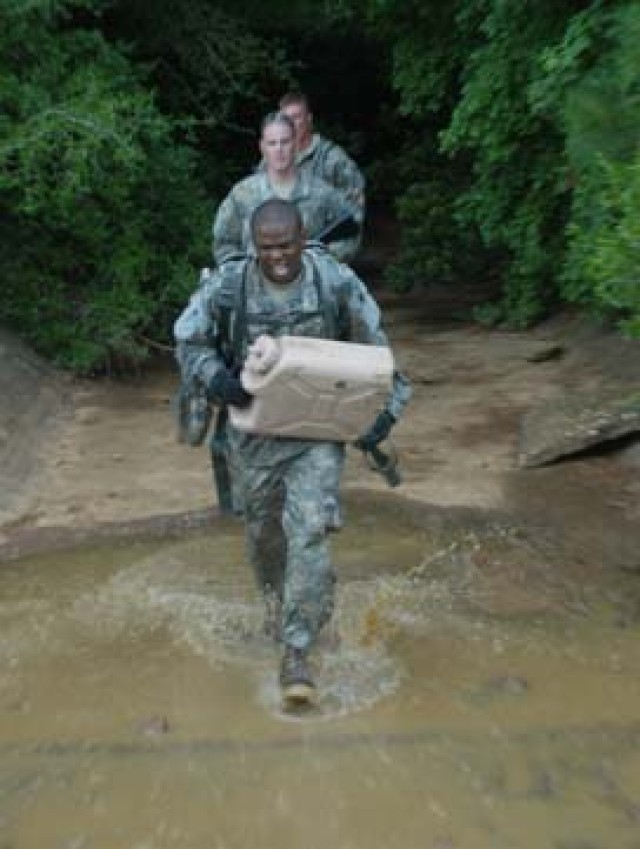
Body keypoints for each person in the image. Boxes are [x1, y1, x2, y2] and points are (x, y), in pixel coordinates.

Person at [175, 198, 410, 706]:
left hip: (317, 435)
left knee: (308, 530)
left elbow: (378, 355)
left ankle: (297, 650)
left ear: (303, 239)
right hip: (254, 435)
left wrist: (379, 417)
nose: (277, 256)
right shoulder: (231, 284)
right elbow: (188, 338)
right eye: (267, 248)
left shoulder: (336, 282)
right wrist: (218, 377)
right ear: (253, 247)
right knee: (264, 535)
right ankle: (281, 606)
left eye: (286, 245)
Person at [213, 112, 360, 265]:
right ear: (262, 147)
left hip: (310, 285)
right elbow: (223, 243)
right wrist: (244, 271)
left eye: (285, 142)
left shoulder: (321, 193)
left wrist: (323, 263)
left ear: (296, 144)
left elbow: (350, 234)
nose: (279, 149)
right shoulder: (242, 195)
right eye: (272, 143)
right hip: (256, 285)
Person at [278, 90, 365, 258]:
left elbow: (353, 219)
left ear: (309, 119)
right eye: (286, 119)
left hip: (321, 260)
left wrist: (327, 258)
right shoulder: (270, 163)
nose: (292, 124)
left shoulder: (333, 160)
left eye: (297, 117)